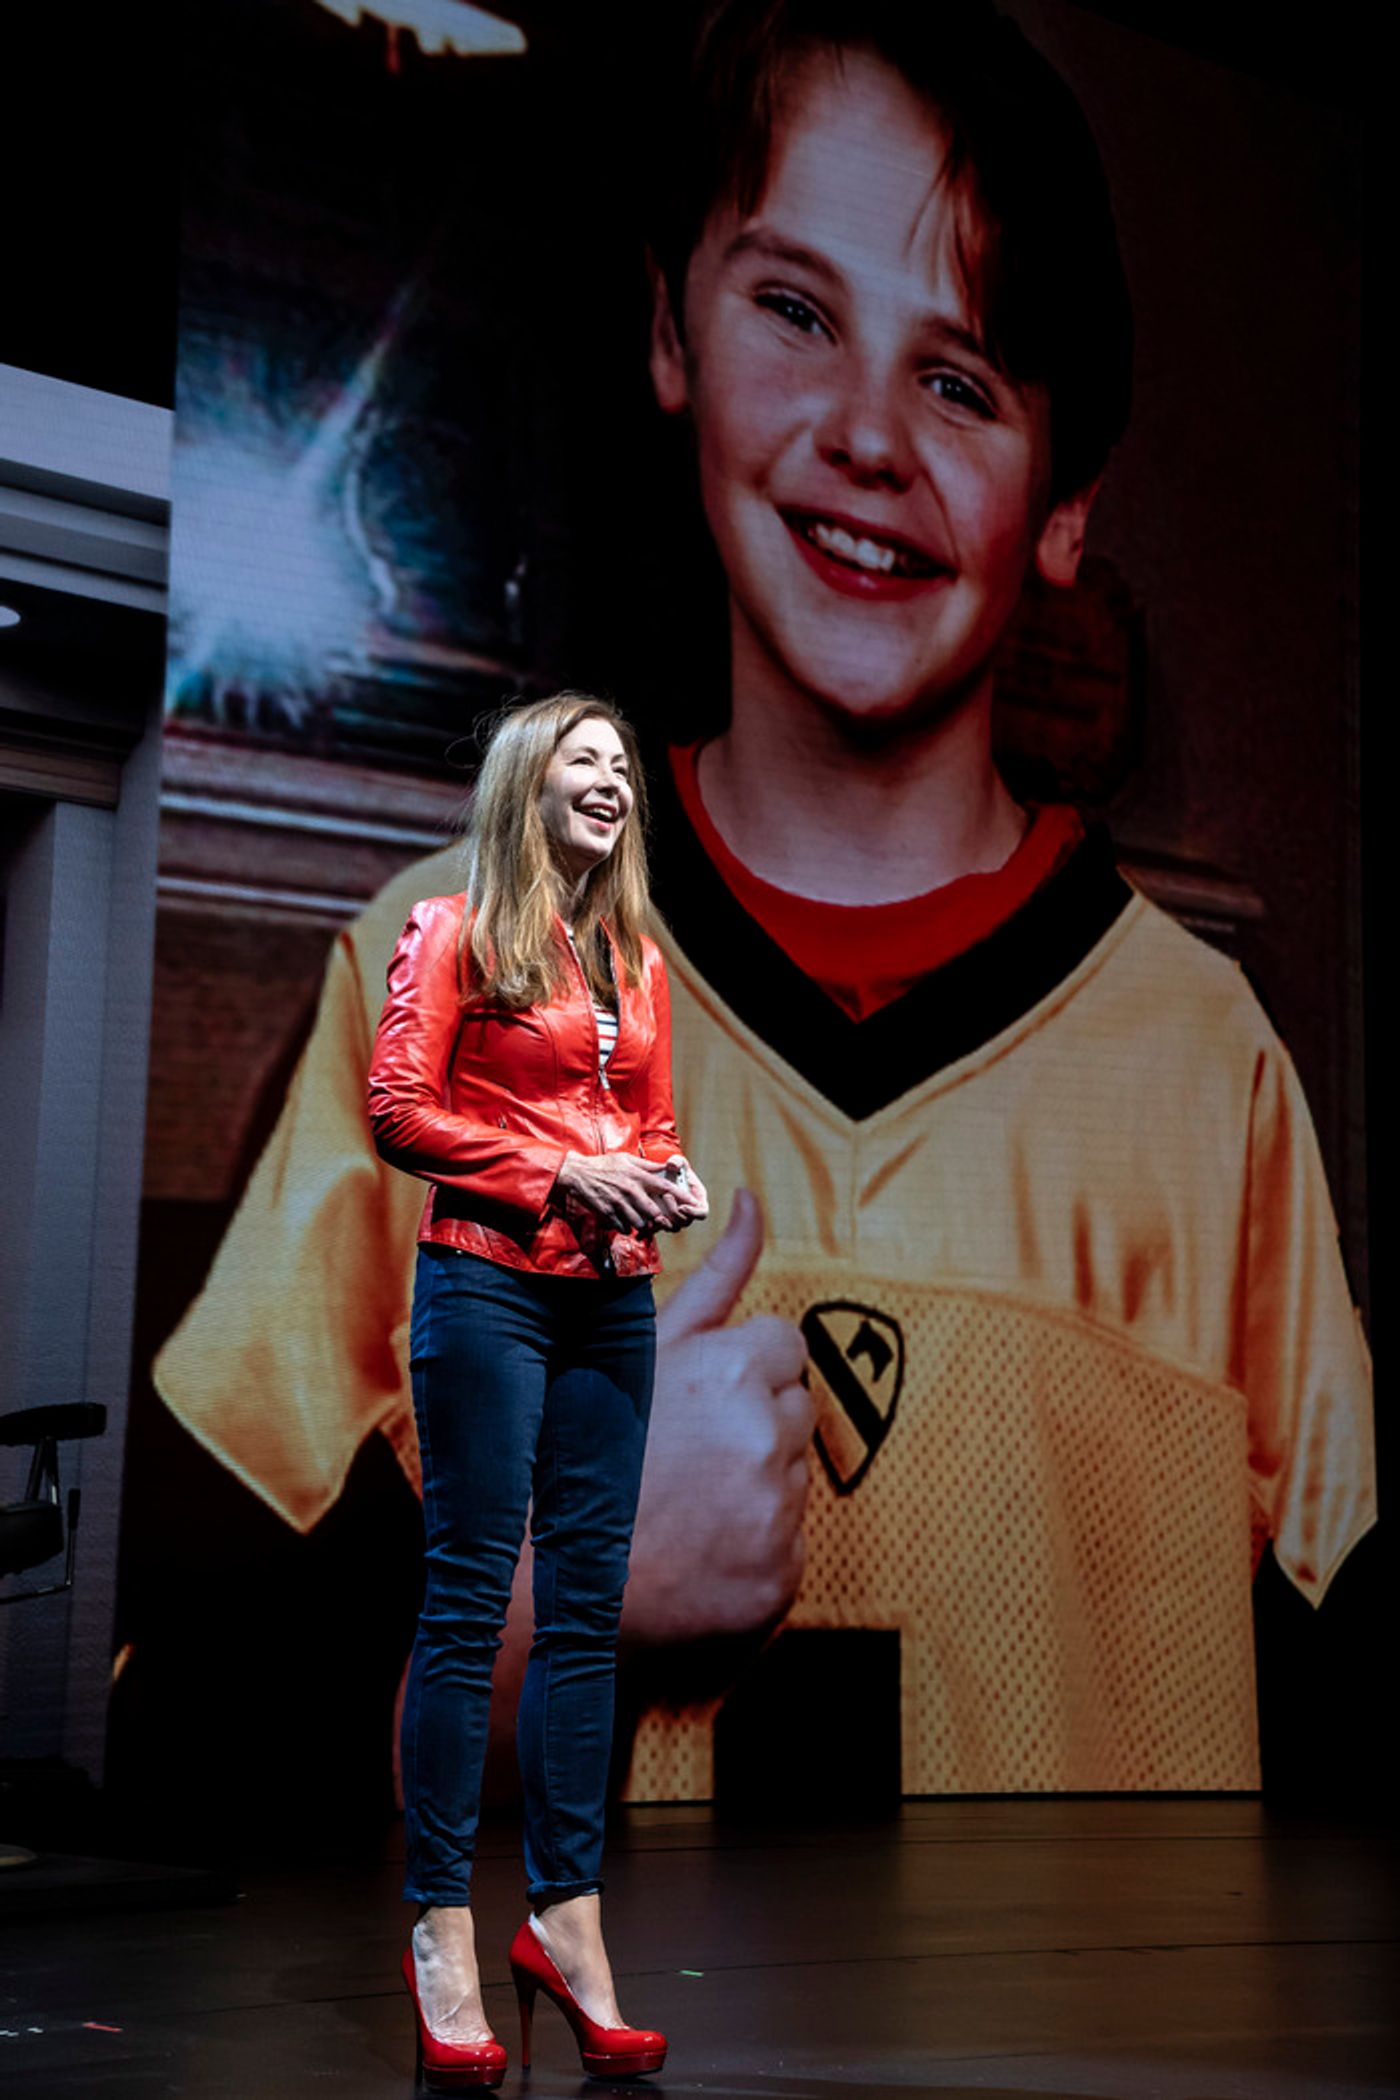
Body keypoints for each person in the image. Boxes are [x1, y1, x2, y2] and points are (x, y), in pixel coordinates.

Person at [152, 0, 1373, 1816]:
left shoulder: (1209, 1076)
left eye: (959, 379)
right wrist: (577, 1595)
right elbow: (177, 1739)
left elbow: (1353, 1777)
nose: (868, 436)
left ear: (1062, 502)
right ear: (673, 332)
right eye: (796, 312)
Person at [370, 694, 707, 2089]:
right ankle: (441, 1925)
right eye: (587, 763)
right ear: (528, 786)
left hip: (609, 1302)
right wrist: (559, 1172)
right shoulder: (453, 931)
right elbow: (397, 1108)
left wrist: (664, 1181)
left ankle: (567, 1920)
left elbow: (654, 1126)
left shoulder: (639, 958)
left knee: (586, 1619)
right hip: (487, 1284)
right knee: (467, 1605)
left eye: (625, 767)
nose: (614, 783)